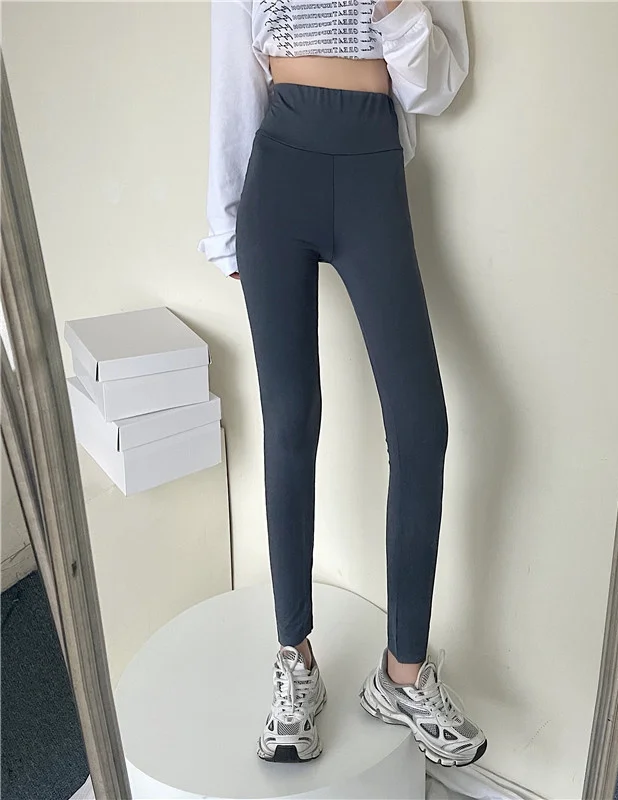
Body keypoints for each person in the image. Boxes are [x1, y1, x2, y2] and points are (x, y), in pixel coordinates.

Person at [199, 0, 486, 768]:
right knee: (290, 421)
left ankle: (403, 675)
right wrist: (225, 226)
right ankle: (296, 660)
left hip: (371, 174)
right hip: (279, 174)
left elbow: (435, 89)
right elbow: (233, 81)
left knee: (421, 429)